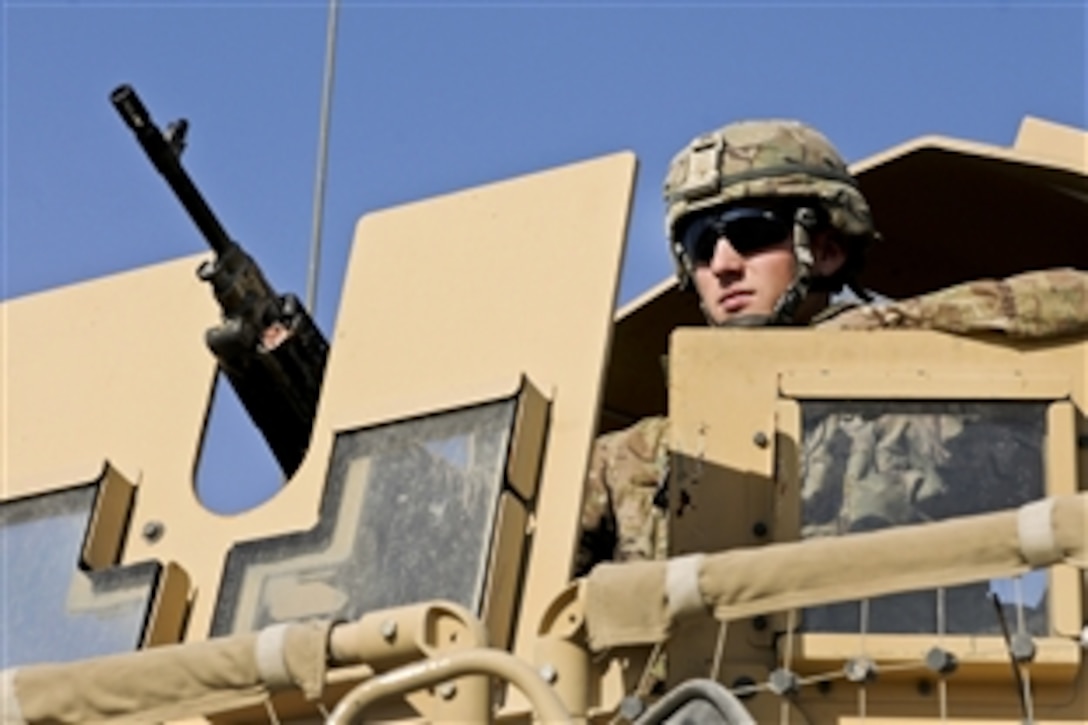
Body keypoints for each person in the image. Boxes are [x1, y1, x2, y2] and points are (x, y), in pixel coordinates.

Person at [576, 118, 1088, 577]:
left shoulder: (923, 398)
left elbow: (1073, 300)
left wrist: (860, 336)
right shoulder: (630, 458)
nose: (724, 264)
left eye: (752, 233)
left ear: (825, 250)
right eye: (700, 245)